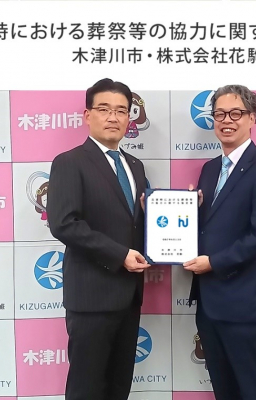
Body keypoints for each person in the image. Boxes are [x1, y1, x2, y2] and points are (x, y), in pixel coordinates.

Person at [47, 78, 151, 400]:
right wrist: (120, 255)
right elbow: (64, 224)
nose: (113, 117)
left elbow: (142, 220)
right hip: (91, 297)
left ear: (129, 118)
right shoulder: (70, 162)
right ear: (87, 115)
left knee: (119, 386)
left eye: (121, 111)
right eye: (104, 109)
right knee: (87, 388)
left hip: (129, 296)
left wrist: (183, 211)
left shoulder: (135, 166)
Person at [184, 84, 256, 400]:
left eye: (236, 113)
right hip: (209, 304)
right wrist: (183, 212)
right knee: (224, 391)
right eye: (219, 114)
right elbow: (211, 227)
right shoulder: (210, 169)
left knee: (255, 391)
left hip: (245, 305)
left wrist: (214, 263)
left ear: (252, 117)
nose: (226, 120)